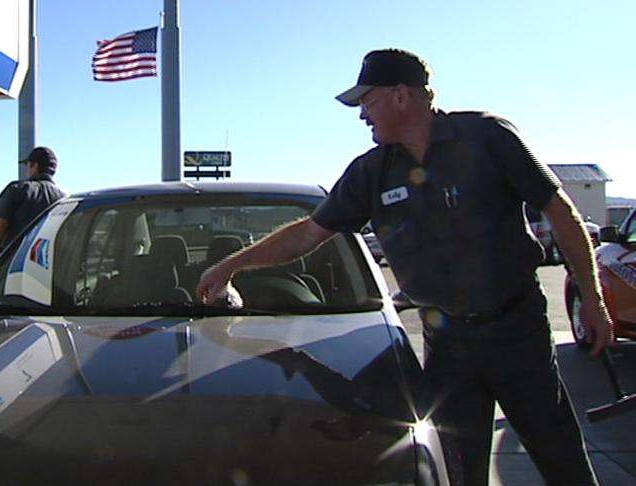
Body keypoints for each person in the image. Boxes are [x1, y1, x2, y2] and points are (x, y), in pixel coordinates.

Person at [197, 49, 612, 485]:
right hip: (448, 345)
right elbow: (307, 234)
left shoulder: (487, 137)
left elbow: (560, 211)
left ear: (401, 95)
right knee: (455, 470)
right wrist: (233, 264)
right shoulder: (370, 173)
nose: (362, 116)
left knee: (560, 456)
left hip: (516, 333)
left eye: (367, 102)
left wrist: (593, 301)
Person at [0, 146, 66, 270]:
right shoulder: (63, 199)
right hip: (47, 269)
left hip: (13, 267)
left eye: (28, 165)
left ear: (34, 166)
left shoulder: (17, 189)